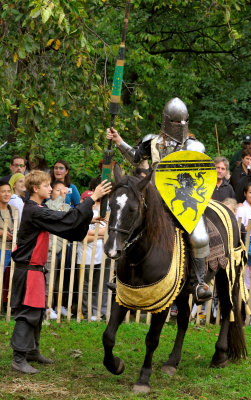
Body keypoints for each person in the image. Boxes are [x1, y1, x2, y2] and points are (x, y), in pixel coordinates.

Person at [106, 97, 212, 304]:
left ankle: (199, 283)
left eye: (183, 121)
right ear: (165, 121)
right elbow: (136, 158)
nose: (179, 126)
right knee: (130, 227)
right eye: (175, 121)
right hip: (154, 198)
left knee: (199, 237)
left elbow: (201, 173)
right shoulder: (152, 141)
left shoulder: (195, 146)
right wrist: (119, 141)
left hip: (183, 198)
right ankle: (119, 277)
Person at [10, 170, 111, 374]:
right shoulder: (34, 210)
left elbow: (62, 219)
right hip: (28, 271)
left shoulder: (38, 209)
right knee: (28, 313)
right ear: (36, 189)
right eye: (47, 186)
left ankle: (32, 352)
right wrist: (92, 198)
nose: (51, 188)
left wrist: (88, 220)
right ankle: (18, 358)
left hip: (35, 270)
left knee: (37, 312)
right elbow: (65, 218)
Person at [77, 189, 109, 321]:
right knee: (85, 286)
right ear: (82, 201)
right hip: (85, 257)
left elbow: (107, 230)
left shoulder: (99, 215)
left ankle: (99, 312)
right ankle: (87, 312)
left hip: (102, 256)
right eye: (88, 200)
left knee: (101, 285)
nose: (93, 203)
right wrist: (100, 234)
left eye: (95, 200)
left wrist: (93, 233)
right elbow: (82, 237)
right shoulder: (81, 216)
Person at [45, 181, 71, 319]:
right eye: (58, 191)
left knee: (61, 279)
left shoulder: (67, 207)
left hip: (64, 247)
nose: (62, 194)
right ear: (51, 192)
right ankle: (47, 306)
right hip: (50, 248)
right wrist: (61, 196)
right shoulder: (47, 205)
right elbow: (53, 214)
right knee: (49, 278)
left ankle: (58, 305)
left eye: (64, 191)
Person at [0, 181, 19, 273]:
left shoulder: (15, 209)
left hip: (13, 250)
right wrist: (1, 232)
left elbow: (19, 228)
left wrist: (16, 231)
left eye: (8, 191)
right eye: (3, 191)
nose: (6, 194)